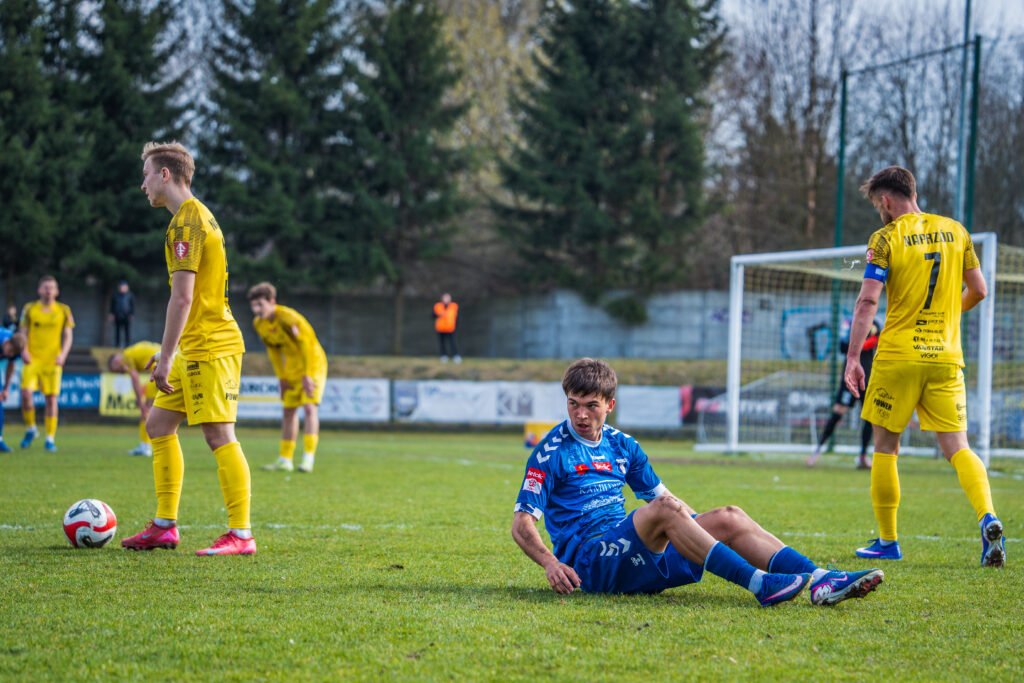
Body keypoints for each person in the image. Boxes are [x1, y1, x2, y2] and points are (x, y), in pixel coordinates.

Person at [512, 357, 884, 606]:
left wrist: (702, 532)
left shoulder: (622, 445)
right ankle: (759, 584)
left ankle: (821, 579)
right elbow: (521, 523)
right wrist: (550, 564)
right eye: (574, 403)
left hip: (630, 552)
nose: (580, 414)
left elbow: (667, 500)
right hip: (591, 564)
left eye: (591, 405)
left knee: (728, 516)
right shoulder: (551, 451)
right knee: (666, 510)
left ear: (610, 404)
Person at [844, 166, 1004, 567]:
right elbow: (979, 290)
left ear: (886, 200)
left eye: (877, 204)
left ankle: (888, 541)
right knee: (958, 448)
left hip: (898, 357)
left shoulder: (885, 238)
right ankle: (988, 517)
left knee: (886, 448)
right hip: (945, 357)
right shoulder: (956, 231)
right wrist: (949, 316)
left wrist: (853, 357)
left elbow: (868, 301)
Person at [121, 141, 255, 556]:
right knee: (158, 426)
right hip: (195, 345)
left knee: (219, 434)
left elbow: (182, 298)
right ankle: (164, 526)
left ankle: (241, 534)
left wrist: (165, 356)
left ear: (165, 174)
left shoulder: (186, 224)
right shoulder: (198, 215)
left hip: (211, 346)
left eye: (146, 174)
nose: (143, 184)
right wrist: (172, 351)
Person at [247, 282, 327, 473]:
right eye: (254, 305)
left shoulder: (288, 318)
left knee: (309, 408)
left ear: (272, 301)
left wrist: (308, 375)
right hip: (291, 368)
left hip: (313, 364)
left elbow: (307, 345)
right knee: (289, 411)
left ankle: (308, 459)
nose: (257, 310)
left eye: (260, 304)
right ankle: (285, 459)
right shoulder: (259, 324)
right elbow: (274, 352)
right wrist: (281, 377)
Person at [807, 317, 882, 469]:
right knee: (837, 413)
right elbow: (842, 346)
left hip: (869, 378)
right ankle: (817, 450)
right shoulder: (849, 323)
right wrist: (860, 345)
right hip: (850, 377)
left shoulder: (876, 323)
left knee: (870, 417)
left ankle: (863, 456)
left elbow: (879, 342)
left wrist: (860, 345)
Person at [18, 276, 74, 452]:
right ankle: (31, 428)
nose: (48, 290)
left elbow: (68, 335)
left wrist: (63, 355)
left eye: (52, 287)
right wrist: (24, 350)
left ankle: (50, 438)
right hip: (32, 359)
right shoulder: (29, 308)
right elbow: (22, 332)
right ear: (39, 290)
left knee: (51, 399)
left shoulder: (63, 310)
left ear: (57, 291)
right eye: (45, 287)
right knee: (26, 393)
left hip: (52, 361)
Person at [107, 341, 162, 456]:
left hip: (159, 371)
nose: (121, 372)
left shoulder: (126, 356)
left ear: (116, 361)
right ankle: (149, 445)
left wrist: (140, 402)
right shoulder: (131, 352)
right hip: (168, 365)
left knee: (146, 411)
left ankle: (145, 447)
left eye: (117, 370)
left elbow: (135, 378)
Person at [0, 331, 27, 453]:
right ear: (7, 342)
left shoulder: (15, 350)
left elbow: (10, 366)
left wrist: (6, 388)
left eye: (13, 353)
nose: (10, 354)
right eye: (10, 350)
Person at [433, 293, 460, 363]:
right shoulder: (438, 306)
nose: (446, 299)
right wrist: (438, 314)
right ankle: (443, 356)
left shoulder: (454, 306)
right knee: (442, 343)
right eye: (445, 298)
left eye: (447, 298)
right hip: (441, 328)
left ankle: (456, 356)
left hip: (450, 328)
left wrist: (456, 326)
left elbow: (456, 317)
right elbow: (432, 315)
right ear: (442, 299)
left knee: (452, 343)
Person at [109, 280, 136, 347]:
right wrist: (111, 314)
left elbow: (132, 306)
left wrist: (132, 314)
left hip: (126, 316)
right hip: (117, 315)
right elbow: (112, 305)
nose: (123, 288)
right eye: (121, 287)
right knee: (117, 331)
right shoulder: (115, 295)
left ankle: (127, 345)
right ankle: (117, 345)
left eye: (124, 287)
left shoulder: (130, 295)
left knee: (127, 331)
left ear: (127, 287)